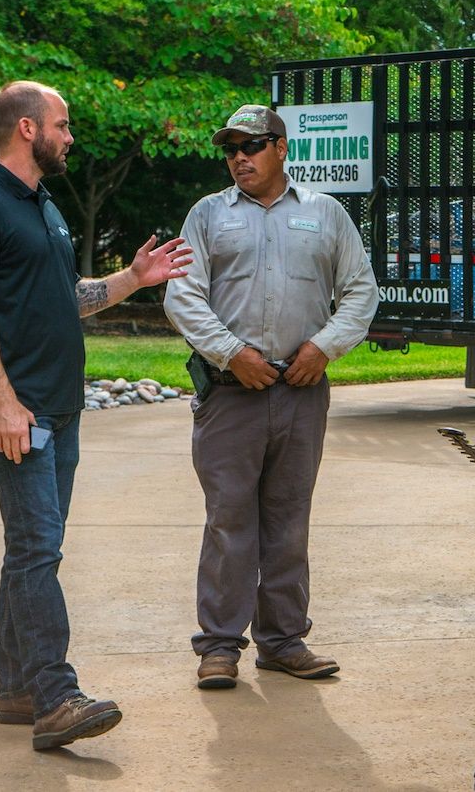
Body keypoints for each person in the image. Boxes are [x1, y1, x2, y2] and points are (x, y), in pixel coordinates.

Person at [0, 80, 193, 750]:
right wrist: (3, 402)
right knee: (37, 551)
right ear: (27, 129)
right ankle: (55, 697)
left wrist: (133, 279)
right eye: (62, 124)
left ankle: (16, 689)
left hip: (61, 410)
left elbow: (68, 298)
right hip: (21, 414)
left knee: (29, 552)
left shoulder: (42, 207)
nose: (70, 135)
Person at [164, 104, 377, 690]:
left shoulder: (325, 214)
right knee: (230, 519)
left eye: (251, 146)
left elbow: (361, 290)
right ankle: (219, 646)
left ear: (281, 149)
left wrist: (324, 347)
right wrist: (231, 352)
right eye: (230, 149)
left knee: (288, 518)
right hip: (231, 394)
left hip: (301, 391)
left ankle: (284, 641)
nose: (238, 157)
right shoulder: (207, 215)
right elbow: (182, 295)